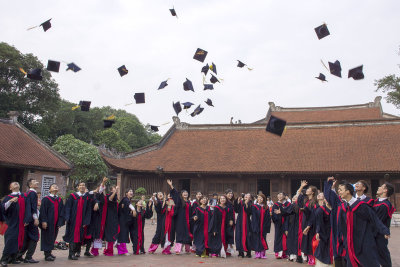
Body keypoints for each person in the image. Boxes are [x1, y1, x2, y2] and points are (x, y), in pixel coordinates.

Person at [337, 181, 390, 267]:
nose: (339, 191)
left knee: (367, 261)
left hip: (363, 239)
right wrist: (342, 239)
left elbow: (374, 219)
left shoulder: (361, 206)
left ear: (348, 191)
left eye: (341, 189)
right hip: (351, 242)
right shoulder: (344, 207)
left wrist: (384, 230)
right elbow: (342, 226)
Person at [0, 182, 28, 266]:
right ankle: (4, 259)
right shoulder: (8, 198)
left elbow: (28, 208)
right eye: (13, 184)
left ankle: (13, 258)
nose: (16, 184)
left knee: (19, 240)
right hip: (11, 222)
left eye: (17, 183)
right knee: (10, 240)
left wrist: (27, 219)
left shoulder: (24, 197)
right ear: (10, 188)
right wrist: (10, 202)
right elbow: (2, 209)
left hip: (22, 223)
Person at [63, 182, 92, 260]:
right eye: (80, 185)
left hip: (82, 221)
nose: (82, 187)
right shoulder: (73, 196)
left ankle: (76, 252)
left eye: (83, 185)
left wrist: (86, 221)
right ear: (78, 187)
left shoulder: (86, 197)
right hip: (73, 220)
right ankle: (71, 254)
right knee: (73, 236)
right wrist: (67, 218)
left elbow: (88, 210)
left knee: (80, 237)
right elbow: (68, 207)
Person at [324, 177, 346, 267]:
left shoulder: (355, 204)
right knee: (338, 253)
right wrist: (329, 184)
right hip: (338, 231)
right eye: (338, 190)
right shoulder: (338, 203)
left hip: (348, 233)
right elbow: (329, 195)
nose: (339, 191)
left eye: (341, 189)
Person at [39, 183, 64, 261]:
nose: (55, 187)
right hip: (48, 222)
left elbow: (61, 212)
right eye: (53, 186)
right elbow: (43, 211)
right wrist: (44, 221)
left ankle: (49, 252)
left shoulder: (59, 199)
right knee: (47, 237)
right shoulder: (46, 199)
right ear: (49, 190)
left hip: (55, 222)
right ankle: (47, 255)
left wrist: (60, 222)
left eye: (56, 186)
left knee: (53, 237)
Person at [17, 178, 40, 263]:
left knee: (27, 238)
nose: (37, 182)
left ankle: (19, 256)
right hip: (31, 219)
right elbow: (32, 207)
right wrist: (36, 218)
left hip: (27, 219)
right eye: (34, 182)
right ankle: (28, 257)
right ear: (30, 185)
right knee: (34, 238)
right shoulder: (33, 193)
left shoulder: (27, 193)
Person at [167, 179, 193, 254]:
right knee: (180, 234)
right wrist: (171, 185)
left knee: (188, 234)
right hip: (180, 221)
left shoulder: (189, 202)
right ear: (181, 194)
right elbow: (175, 194)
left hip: (188, 221)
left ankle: (187, 249)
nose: (185, 194)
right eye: (184, 193)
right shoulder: (179, 201)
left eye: (186, 193)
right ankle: (177, 250)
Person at [374, 182, 395, 267]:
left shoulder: (385, 205)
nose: (379, 187)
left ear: (385, 190)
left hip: (379, 235)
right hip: (374, 234)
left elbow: (377, 221)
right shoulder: (376, 202)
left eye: (382, 187)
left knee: (383, 257)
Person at [297, 180, 318, 265]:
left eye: (308, 189)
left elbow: (313, 215)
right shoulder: (306, 200)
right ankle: (309, 257)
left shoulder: (314, 202)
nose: (307, 190)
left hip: (312, 224)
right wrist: (301, 187)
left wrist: (309, 225)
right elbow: (298, 201)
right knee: (306, 241)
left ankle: (313, 258)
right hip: (305, 222)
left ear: (312, 192)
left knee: (311, 241)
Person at [314, 193, 333, 266]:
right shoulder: (321, 210)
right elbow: (319, 223)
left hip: (334, 234)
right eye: (327, 198)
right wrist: (318, 232)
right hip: (325, 233)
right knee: (324, 250)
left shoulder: (335, 209)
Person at [250, 193, 271, 259]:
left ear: (263, 199)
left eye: (261, 198)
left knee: (263, 239)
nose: (260, 199)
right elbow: (254, 218)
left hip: (263, 227)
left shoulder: (266, 207)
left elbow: (268, 218)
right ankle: (257, 253)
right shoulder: (254, 206)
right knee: (256, 240)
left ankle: (263, 253)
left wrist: (267, 227)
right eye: (258, 198)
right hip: (256, 226)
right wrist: (255, 227)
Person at [271, 192, 290, 259]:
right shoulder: (275, 205)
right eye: (278, 195)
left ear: (284, 196)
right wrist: (277, 219)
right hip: (278, 224)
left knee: (285, 238)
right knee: (278, 238)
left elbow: (289, 213)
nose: (279, 196)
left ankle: (284, 253)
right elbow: (274, 214)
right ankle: (278, 253)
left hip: (286, 223)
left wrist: (282, 212)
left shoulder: (288, 204)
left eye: (281, 195)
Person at [117, 188, 136, 256]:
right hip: (123, 220)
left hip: (124, 220)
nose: (131, 192)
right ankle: (124, 250)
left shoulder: (127, 200)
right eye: (130, 191)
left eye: (132, 191)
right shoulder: (125, 199)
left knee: (123, 234)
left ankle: (121, 251)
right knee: (123, 235)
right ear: (126, 193)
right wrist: (133, 210)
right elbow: (129, 206)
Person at [102, 185, 119, 256]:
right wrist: (115, 192)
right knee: (109, 233)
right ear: (112, 190)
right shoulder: (110, 195)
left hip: (114, 216)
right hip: (109, 217)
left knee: (113, 232)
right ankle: (108, 251)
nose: (116, 189)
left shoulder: (115, 195)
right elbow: (109, 199)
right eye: (114, 188)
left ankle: (108, 250)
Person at [234, 193, 252, 258]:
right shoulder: (240, 202)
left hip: (247, 222)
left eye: (248, 196)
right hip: (239, 222)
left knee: (248, 236)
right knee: (239, 236)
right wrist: (238, 202)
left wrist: (246, 204)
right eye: (245, 196)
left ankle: (248, 252)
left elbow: (249, 212)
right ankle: (240, 252)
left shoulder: (250, 204)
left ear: (250, 198)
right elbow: (236, 210)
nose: (246, 197)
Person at [285, 195, 302, 263]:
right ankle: (291, 255)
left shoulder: (300, 208)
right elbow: (286, 219)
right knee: (290, 241)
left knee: (296, 241)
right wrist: (286, 229)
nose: (294, 198)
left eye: (296, 198)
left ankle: (297, 255)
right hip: (290, 227)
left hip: (298, 226)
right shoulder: (290, 207)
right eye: (293, 197)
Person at [224, 189, 235, 255]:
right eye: (229, 193)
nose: (230, 195)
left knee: (229, 234)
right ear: (225, 194)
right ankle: (225, 249)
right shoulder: (225, 202)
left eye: (231, 193)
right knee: (226, 234)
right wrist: (230, 220)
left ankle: (228, 249)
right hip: (226, 221)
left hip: (230, 220)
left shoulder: (231, 202)